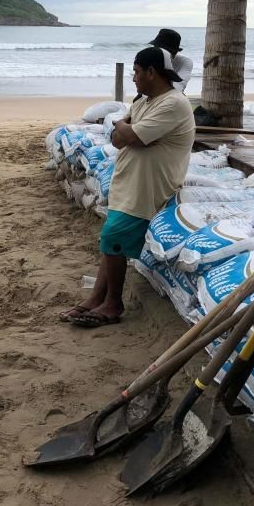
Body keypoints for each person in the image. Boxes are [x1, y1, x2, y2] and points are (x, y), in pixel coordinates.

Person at [58, 46, 196, 327]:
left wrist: (126, 128)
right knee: (112, 243)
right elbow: (118, 139)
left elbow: (131, 135)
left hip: (149, 187)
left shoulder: (173, 104)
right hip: (129, 184)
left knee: (112, 235)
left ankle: (113, 303)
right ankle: (96, 298)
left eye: (136, 71)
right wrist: (126, 128)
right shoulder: (144, 103)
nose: (133, 78)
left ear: (151, 72)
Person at [149, 28, 193, 94]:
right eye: (155, 48)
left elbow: (179, 86)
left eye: (160, 50)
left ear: (174, 53)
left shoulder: (184, 62)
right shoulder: (149, 60)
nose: (155, 52)